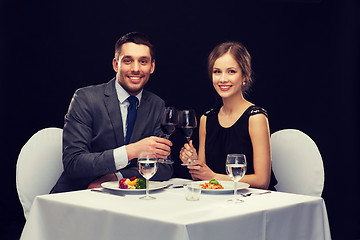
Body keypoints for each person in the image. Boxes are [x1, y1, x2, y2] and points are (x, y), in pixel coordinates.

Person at [51, 32, 173, 193]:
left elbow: (164, 167)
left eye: (143, 61)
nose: (136, 69)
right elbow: (74, 163)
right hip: (78, 196)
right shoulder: (86, 98)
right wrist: (131, 151)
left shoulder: (157, 105)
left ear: (152, 67)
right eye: (128, 61)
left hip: (127, 200)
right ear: (116, 65)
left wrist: (118, 176)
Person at [179, 41, 277, 190]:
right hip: (217, 200)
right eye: (217, 71)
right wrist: (193, 162)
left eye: (231, 71)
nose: (223, 79)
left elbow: (262, 181)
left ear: (245, 76)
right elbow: (200, 178)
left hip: (251, 201)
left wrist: (213, 177)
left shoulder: (255, 117)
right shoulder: (206, 119)